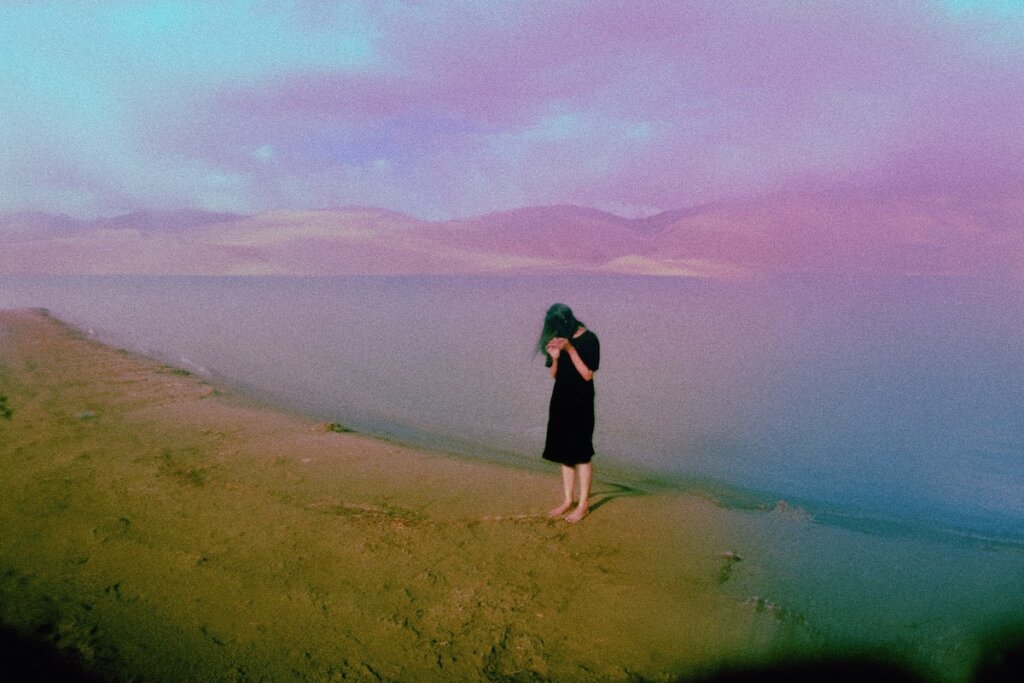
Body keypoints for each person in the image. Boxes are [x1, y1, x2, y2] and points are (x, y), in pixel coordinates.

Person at [538, 303, 600, 523]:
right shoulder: (558, 339)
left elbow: (587, 374)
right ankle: (567, 500)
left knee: (581, 453)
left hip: (581, 402)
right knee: (565, 452)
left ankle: (583, 505)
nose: (553, 332)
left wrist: (570, 350)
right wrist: (555, 356)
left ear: (566, 321)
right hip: (560, 400)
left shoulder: (589, 339)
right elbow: (554, 376)